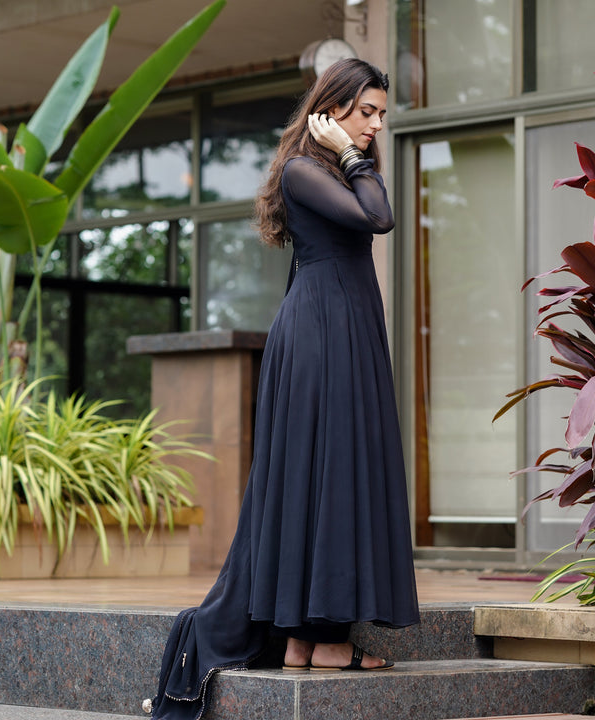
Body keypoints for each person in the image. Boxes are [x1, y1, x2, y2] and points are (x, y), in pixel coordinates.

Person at [147, 58, 419, 720]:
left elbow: (374, 211)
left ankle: (306, 639)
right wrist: (346, 154)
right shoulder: (306, 170)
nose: (378, 125)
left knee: (334, 471)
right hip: (322, 332)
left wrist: (354, 153)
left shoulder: (341, 165)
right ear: (331, 110)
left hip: (344, 326)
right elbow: (378, 217)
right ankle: (319, 641)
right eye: (368, 112)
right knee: (326, 471)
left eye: (383, 113)